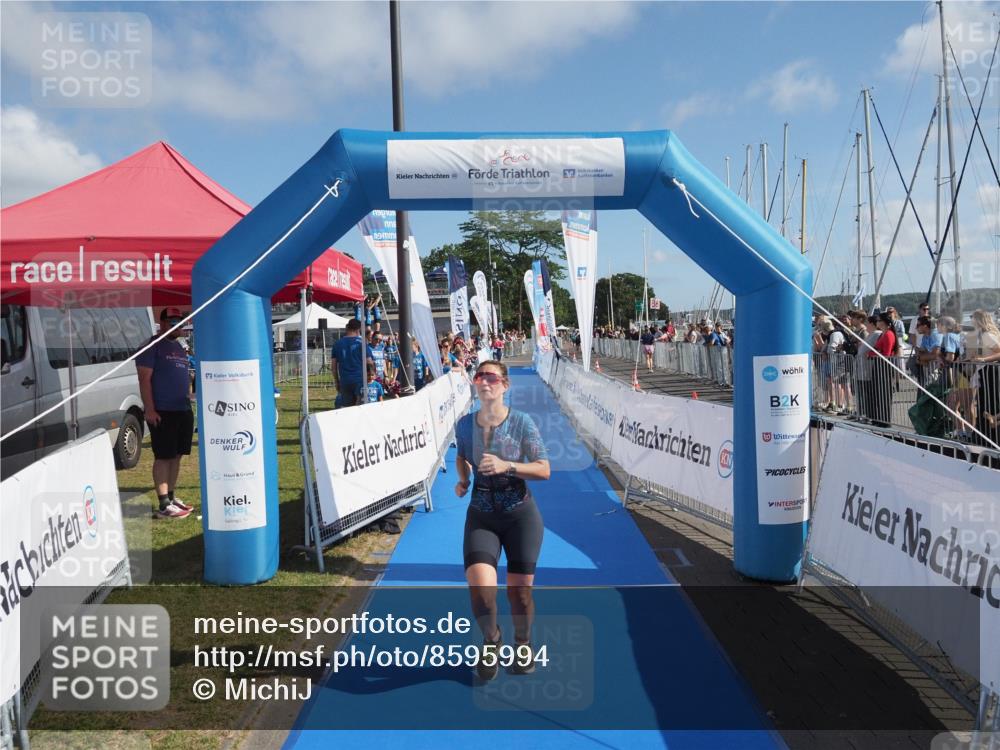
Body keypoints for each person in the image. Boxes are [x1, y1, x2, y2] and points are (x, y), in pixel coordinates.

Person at [454, 361, 551, 681]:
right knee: (480, 589)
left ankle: (523, 644)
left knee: (519, 593)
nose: (484, 381)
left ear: (504, 385)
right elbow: (461, 455)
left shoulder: (522, 422)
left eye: (491, 377)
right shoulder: (464, 424)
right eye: (479, 376)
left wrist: (507, 466)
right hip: (481, 514)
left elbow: (543, 469)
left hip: (520, 516)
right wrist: (463, 480)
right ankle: (492, 638)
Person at [136, 307, 195, 519]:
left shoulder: (179, 347)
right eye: (172, 321)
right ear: (162, 324)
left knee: (177, 456)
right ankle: (163, 504)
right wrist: (150, 409)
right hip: (162, 410)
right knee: (163, 456)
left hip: (182, 409)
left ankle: (171, 497)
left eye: (179, 321)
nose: (177, 324)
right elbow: (144, 379)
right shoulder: (152, 346)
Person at [332, 319, 372, 408]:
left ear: (348, 328)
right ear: (358, 329)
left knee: (347, 409)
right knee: (361, 408)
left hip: (344, 381)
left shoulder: (337, 344)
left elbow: (334, 367)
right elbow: (369, 362)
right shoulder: (361, 343)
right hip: (360, 380)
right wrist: (372, 375)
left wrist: (336, 381)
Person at [867, 312, 897, 428]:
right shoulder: (882, 334)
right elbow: (876, 350)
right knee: (878, 393)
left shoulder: (889, 334)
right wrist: (874, 352)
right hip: (878, 365)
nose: (877, 322)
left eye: (879, 321)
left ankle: (885, 419)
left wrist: (874, 353)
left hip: (884, 366)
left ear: (885, 322)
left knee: (884, 393)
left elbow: (887, 353)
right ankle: (879, 418)